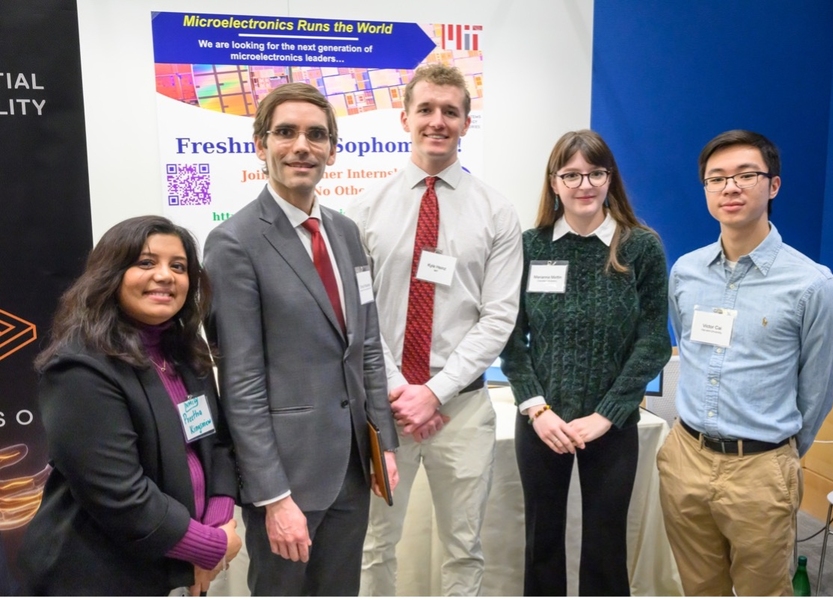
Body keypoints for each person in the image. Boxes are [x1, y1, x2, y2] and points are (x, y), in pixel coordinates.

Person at [203, 82, 399, 596]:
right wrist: (271, 496)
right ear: (260, 143)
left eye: (316, 135)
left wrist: (383, 445)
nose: (301, 146)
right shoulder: (233, 243)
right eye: (285, 132)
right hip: (287, 479)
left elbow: (367, 348)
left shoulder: (346, 232)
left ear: (332, 150)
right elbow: (241, 381)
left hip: (353, 470)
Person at [348, 63, 523, 596]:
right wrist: (402, 390)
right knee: (375, 544)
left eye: (451, 111)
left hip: (463, 408)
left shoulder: (496, 212)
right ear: (405, 118)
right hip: (385, 408)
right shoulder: (364, 210)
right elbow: (359, 313)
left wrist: (436, 392)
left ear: (467, 123)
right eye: (426, 109)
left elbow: (498, 317)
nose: (437, 121)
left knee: (464, 547)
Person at [658, 129, 833, 596]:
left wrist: (778, 458)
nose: (731, 188)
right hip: (686, 457)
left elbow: (818, 389)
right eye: (716, 178)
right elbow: (688, 344)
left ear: (774, 185)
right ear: (705, 189)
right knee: (698, 588)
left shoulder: (812, 285)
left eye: (746, 175)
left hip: (760, 470)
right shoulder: (685, 271)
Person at [18, 215, 242, 595]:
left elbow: (215, 442)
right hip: (95, 572)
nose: (165, 275)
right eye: (145, 262)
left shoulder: (189, 352)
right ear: (111, 273)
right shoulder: (79, 365)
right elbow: (118, 493)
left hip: (180, 560)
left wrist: (220, 521)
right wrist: (209, 547)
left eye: (179, 266)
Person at [499, 130, 671, 596]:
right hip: (541, 423)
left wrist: (607, 414)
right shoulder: (531, 245)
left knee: (605, 541)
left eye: (595, 172)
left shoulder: (640, 247)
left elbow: (653, 342)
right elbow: (510, 338)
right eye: (570, 174)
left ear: (609, 178)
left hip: (610, 427)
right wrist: (536, 408)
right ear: (554, 182)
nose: (584, 184)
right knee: (542, 540)